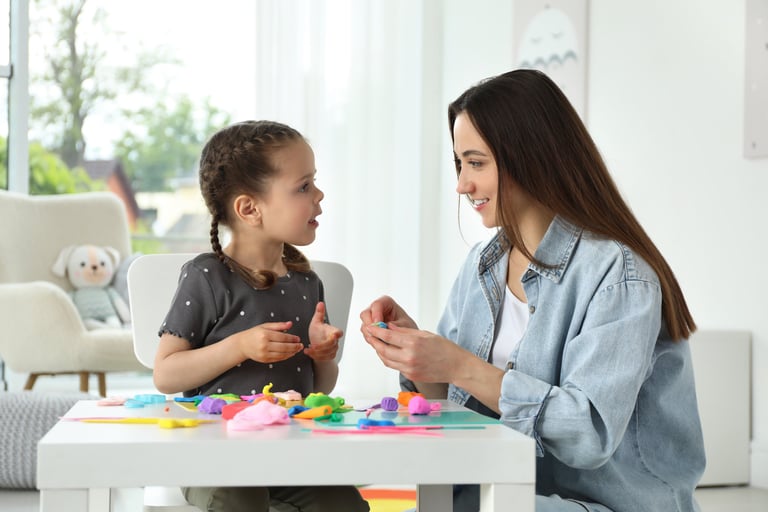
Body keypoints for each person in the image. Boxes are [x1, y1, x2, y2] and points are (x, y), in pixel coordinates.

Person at [360, 70, 705, 512]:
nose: (462, 185)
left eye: (477, 163)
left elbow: (588, 435)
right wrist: (421, 358)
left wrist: (459, 364)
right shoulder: (483, 266)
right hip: (505, 495)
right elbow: (457, 407)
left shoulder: (618, 275)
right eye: (459, 164)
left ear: (531, 156)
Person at [154, 120, 369, 512]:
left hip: (291, 455)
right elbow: (165, 373)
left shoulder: (307, 283)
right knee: (240, 499)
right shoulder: (208, 275)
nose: (319, 195)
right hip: (213, 456)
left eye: (313, 182)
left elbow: (320, 387)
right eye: (304, 187)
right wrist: (238, 346)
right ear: (249, 208)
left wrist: (322, 357)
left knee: (343, 503)